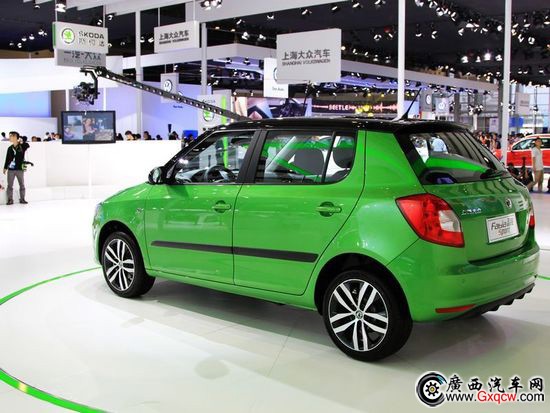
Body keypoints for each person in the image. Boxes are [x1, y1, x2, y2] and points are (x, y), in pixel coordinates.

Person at [3, 131, 29, 205]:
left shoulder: (22, 146)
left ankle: (22, 199)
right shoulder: (10, 148)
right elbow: (7, 158)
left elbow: (27, 145)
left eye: (11, 136)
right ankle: (10, 199)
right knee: (10, 185)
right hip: (11, 169)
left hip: (19, 169)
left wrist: (21, 141)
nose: (9, 137)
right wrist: (5, 168)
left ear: (15, 137)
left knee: (22, 184)